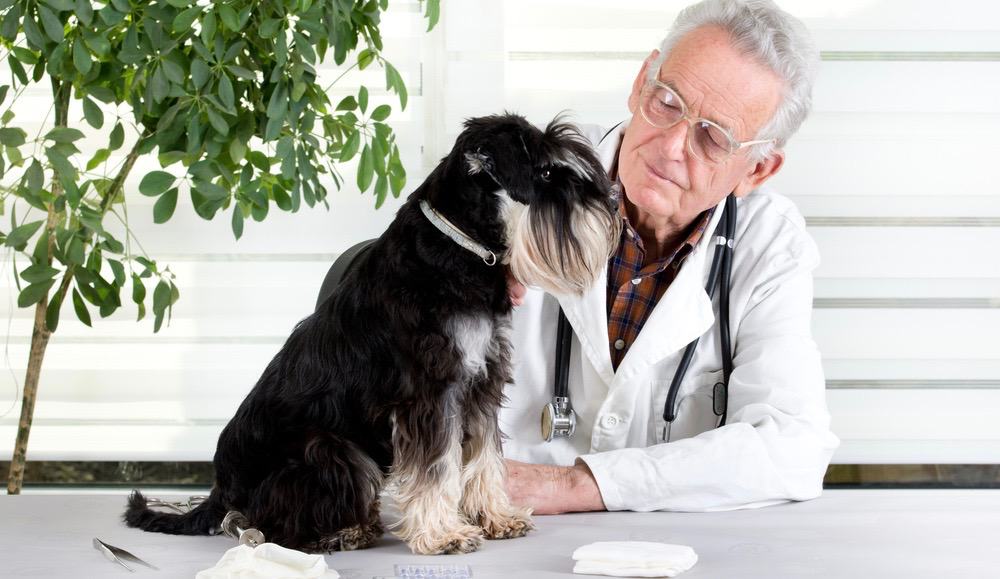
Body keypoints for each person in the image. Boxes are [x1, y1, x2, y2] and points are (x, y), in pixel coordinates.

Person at [499, 0, 840, 514]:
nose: (672, 145)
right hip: (491, 537)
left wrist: (576, 485)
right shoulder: (518, 183)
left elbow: (792, 447)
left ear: (758, 170)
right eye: (667, 101)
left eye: (714, 136)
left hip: (674, 552)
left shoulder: (770, 244)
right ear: (641, 81)